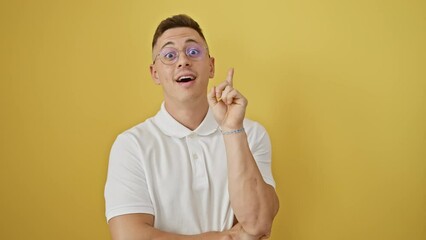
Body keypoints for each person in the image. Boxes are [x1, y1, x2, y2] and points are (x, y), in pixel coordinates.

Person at [104, 14, 279, 240]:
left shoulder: (251, 133)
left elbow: (258, 223)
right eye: (169, 55)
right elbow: (130, 237)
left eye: (193, 52)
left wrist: (232, 129)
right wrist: (224, 237)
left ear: (211, 66)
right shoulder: (131, 145)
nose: (183, 61)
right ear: (155, 73)